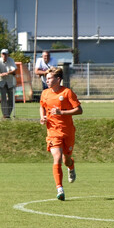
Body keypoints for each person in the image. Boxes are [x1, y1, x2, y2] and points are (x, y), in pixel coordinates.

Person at [39, 66, 82, 201]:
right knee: (57, 157)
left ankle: (71, 165)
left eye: (50, 78)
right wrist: (42, 117)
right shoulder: (45, 93)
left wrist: (61, 112)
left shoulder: (67, 93)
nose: (47, 80)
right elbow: (41, 106)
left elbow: (79, 110)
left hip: (67, 131)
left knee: (66, 159)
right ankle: (59, 188)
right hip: (52, 131)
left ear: (58, 79)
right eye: (46, 78)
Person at [0, 49, 17, 119]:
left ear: (8, 55)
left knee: (11, 98)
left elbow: (14, 69)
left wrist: (7, 73)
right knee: (3, 98)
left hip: (10, 82)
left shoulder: (11, 60)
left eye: (6, 54)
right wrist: (0, 74)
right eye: (3, 54)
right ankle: (5, 114)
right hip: (1, 82)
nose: (4, 55)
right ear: (1, 54)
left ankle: (8, 114)